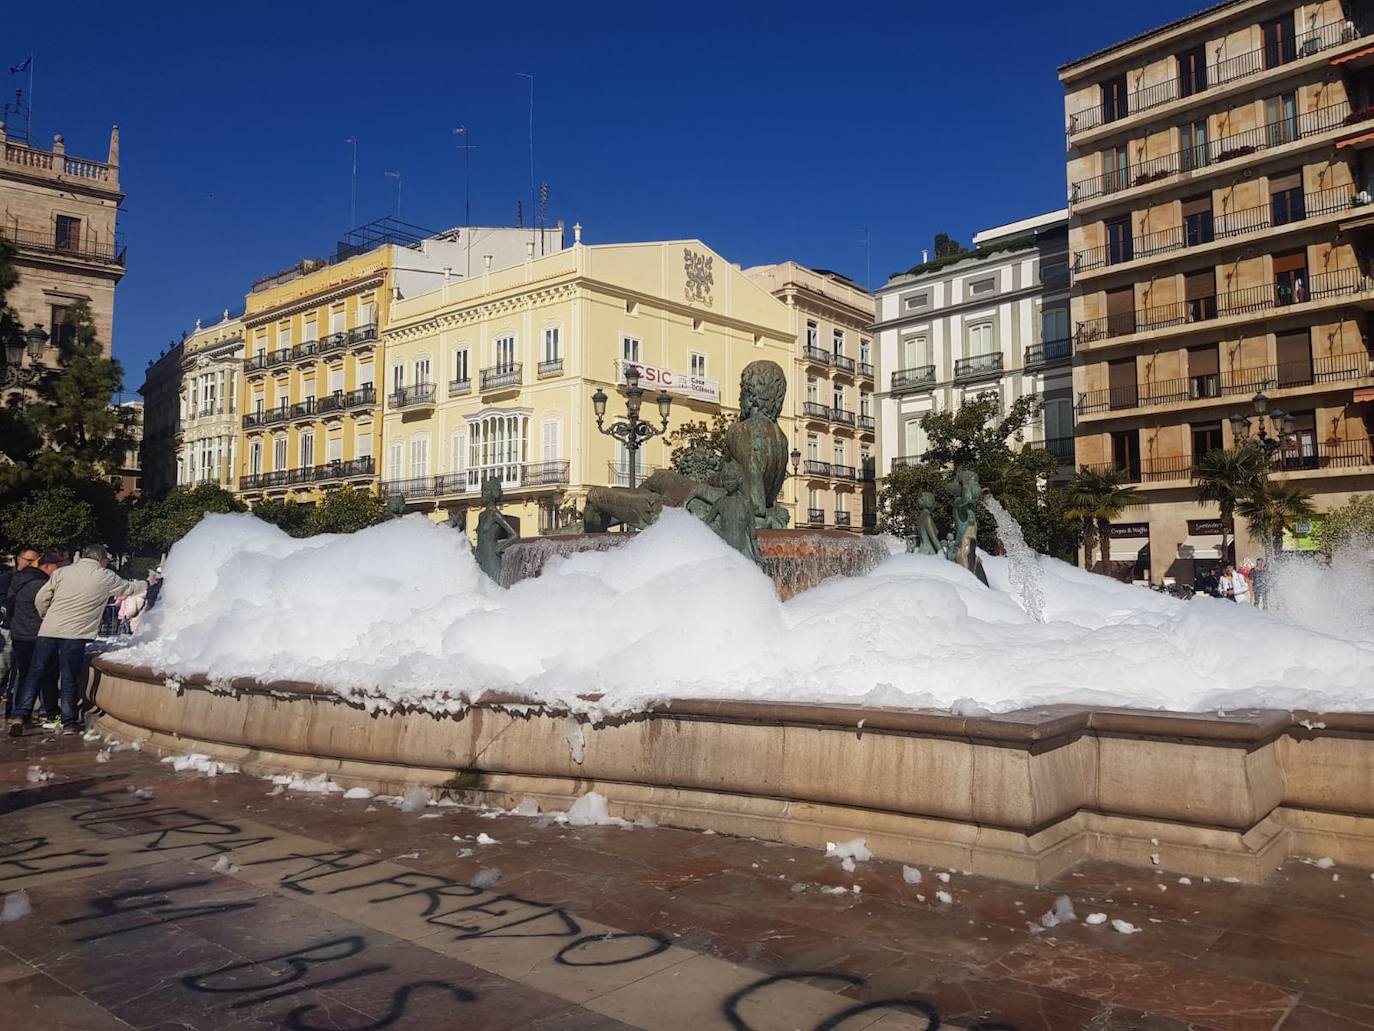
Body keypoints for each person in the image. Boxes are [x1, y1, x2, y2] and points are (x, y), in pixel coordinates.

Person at [8, 544, 146, 736]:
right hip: (76, 633)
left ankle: (20, 715)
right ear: (101, 559)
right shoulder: (104, 576)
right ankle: (69, 721)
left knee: (35, 672)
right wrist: (148, 583)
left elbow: (42, 597)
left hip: (50, 629)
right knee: (68, 675)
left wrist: (46, 615)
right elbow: (129, 588)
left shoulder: (63, 572)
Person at [4, 551, 63, 722]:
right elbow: (46, 607)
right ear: (47, 566)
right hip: (38, 634)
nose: (58, 571)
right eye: (56, 567)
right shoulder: (42, 584)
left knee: (23, 675)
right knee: (47, 675)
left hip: (19, 634)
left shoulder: (19, 579)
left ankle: (18, 712)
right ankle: (48, 712)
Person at [0, 549, 40, 716]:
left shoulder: (39, 579)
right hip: (9, 628)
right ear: (19, 560)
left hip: (24, 630)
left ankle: (14, 706)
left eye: (34, 561)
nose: (31, 564)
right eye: (28, 560)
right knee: (3, 669)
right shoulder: (7, 579)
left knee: (20, 672)